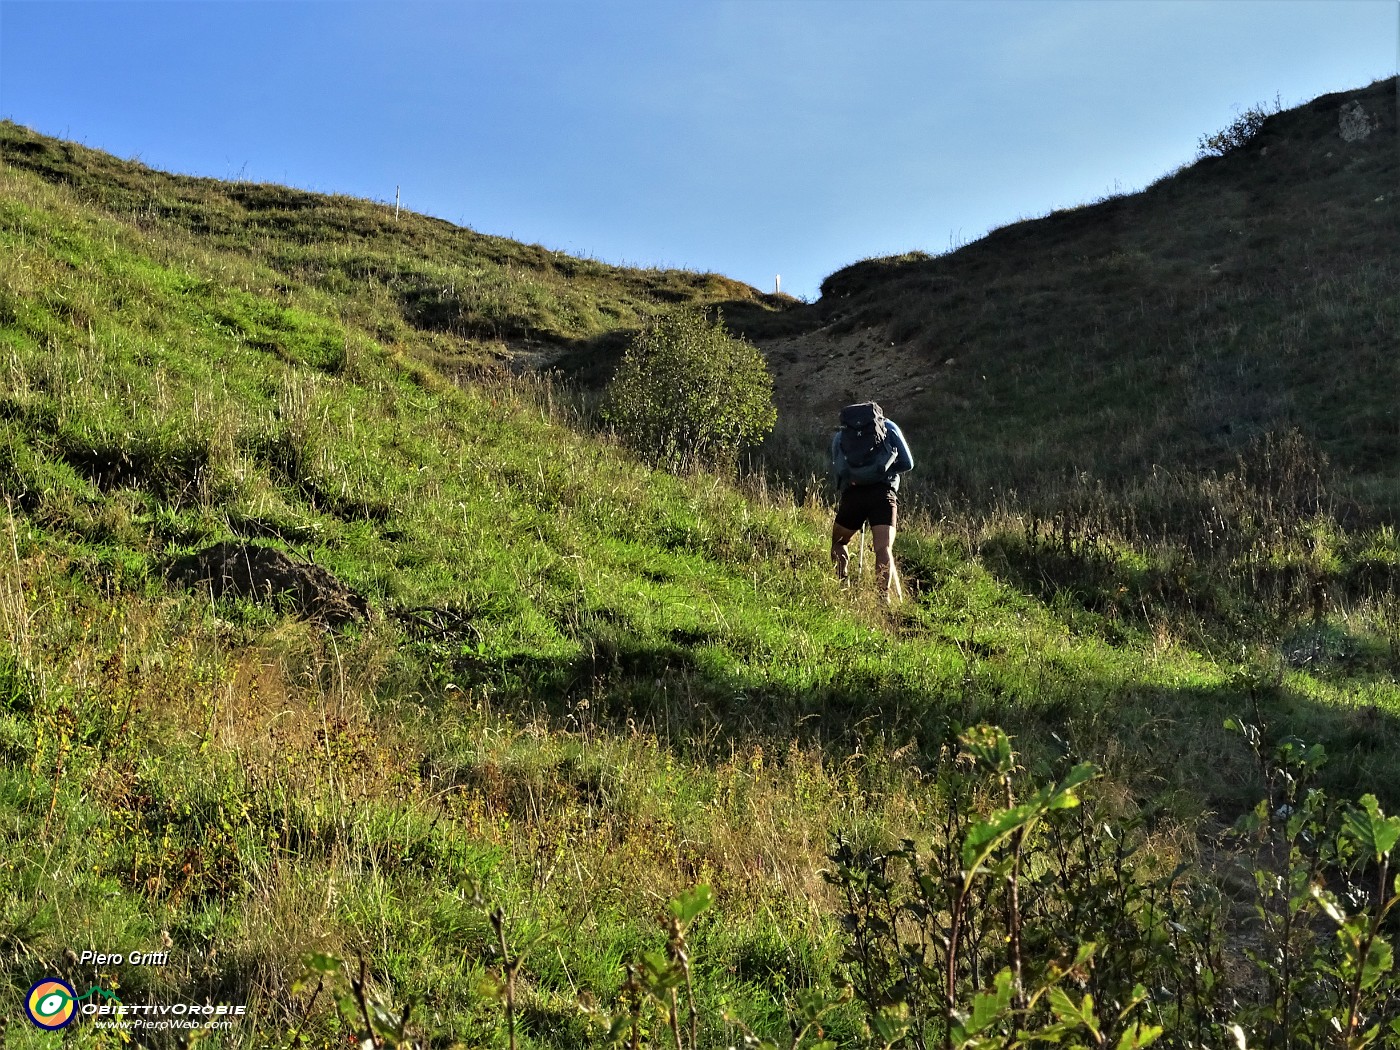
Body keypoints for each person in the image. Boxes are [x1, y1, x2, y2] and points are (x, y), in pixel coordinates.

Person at [828, 402, 914, 598]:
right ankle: (883, 599)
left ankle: (842, 587)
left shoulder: (842, 435)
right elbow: (908, 463)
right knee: (883, 548)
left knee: (839, 543)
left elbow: (839, 468)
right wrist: (883, 471)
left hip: (854, 495)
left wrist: (855, 480)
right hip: (883, 494)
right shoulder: (889, 428)